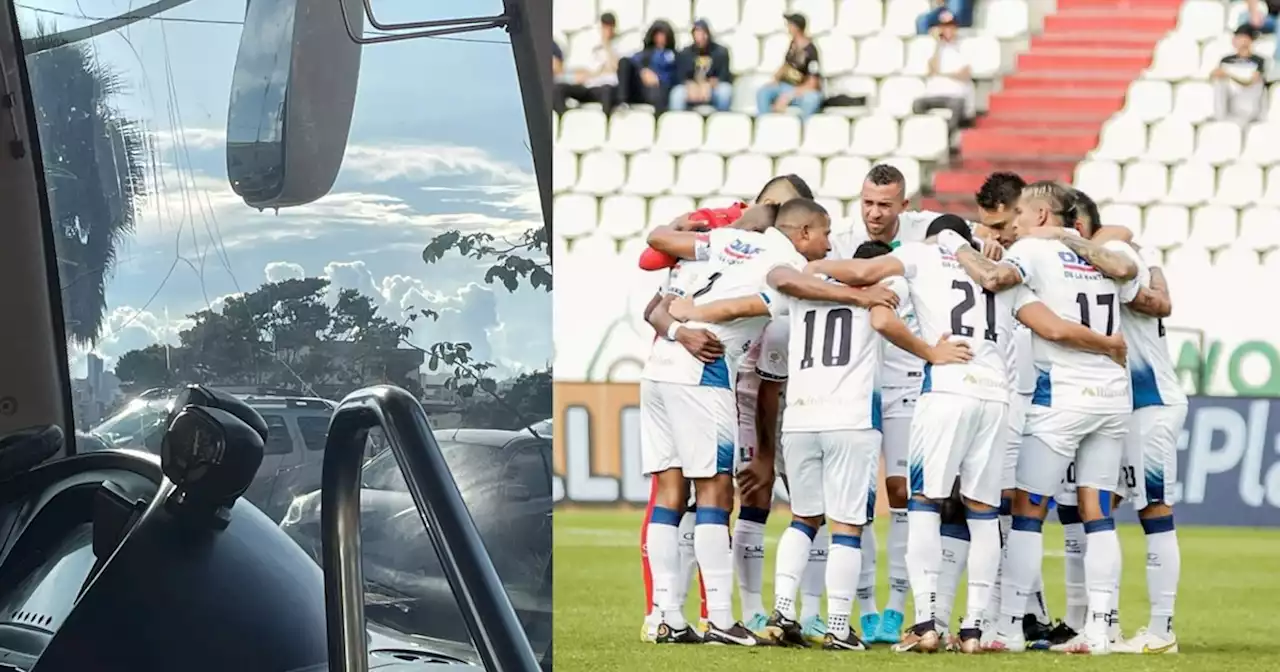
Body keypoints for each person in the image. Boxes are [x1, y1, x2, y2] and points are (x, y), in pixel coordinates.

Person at [812, 211, 1129, 653]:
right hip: (995, 396)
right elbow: (1053, 327)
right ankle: (975, 628)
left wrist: (811, 269)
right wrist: (1109, 343)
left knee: (924, 502)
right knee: (983, 510)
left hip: (947, 389)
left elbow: (864, 274)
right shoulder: (1001, 274)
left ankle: (924, 623)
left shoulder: (922, 254)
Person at [639, 198, 897, 645]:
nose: (829, 241)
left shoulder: (728, 240)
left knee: (669, 491)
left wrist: (681, 311)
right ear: (802, 232)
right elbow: (774, 292)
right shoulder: (784, 260)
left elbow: (659, 242)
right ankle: (720, 617)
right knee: (716, 490)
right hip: (704, 367)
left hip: (659, 365)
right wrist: (860, 295)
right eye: (824, 232)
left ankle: (667, 616)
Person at [942, 181, 1140, 655]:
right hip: (1113, 398)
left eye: (1022, 218)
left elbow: (993, 280)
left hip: (1063, 399)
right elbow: (1127, 269)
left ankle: (1009, 626)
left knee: (1029, 512)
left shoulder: (1033, 249)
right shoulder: (1096, 253)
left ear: (1043, 217)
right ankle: (1099, 629)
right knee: (1097, 514)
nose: (1014, 226)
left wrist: (953, 244)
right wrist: (1076, 240)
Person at [1053, 190, 1183, 655]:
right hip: (1120, 406)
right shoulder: (1091, 264)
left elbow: (1152, 294)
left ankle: (1162, 630)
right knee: (1095, 507)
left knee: (1154, 511)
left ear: (1081, 228)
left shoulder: (1117, 254)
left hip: (1150, 403)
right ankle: (1097, 623)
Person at [912, 12, 974, 133]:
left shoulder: (965, 47)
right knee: (917, 104)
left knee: (957, 106)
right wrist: (938, 44)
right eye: (944, 26)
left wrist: (943, 74)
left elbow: (965, 74)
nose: (948, 30)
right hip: (935, 94)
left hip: (955, 95)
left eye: (951, 26)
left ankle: (946, 137)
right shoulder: (936, 48)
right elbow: (931, 70)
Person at [756, 14, 823, 118]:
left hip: (800, 90)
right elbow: (787, 65)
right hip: (785, 86)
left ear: (796, 28)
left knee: (811, 99)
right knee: (763, 92)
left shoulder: (811, 51)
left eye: (789, 25)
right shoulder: (793, 45)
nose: (787, 28)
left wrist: (789, 95)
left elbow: (813, 84)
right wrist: (776, 79)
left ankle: (803, 129)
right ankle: (765, 123)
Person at [553, 13, 620, 114]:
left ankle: (604, 122)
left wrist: (607, 45)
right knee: (558, 88)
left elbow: (616, 67)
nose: (606, 31)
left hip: (602, 87)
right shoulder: (589, 44)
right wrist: (594, 73)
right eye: (604, 27)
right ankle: (565, 118)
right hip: (586, 85)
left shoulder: (617, 46)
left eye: (609, 28)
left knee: (607, 91)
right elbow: (577, 69)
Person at [670, 19, 733, 112]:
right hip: (691, 88)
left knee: (725, 91)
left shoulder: (721, 52)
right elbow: (680, 77)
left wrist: (709, 85)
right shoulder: (685, 53)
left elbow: (724, 76)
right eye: (697, 33)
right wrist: (691, 85)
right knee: (677, 94)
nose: (701, 37)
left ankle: (722, 120)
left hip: (713, 88)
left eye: (703, 33)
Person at [1212, 25, 1267, 126]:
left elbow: (1252, 80)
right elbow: (1215, 74)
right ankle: (1220, 115)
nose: (1240, 41)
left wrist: (1229, 74)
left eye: (1243, 37)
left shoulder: (1259, 60)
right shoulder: (1226, 60)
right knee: (1219, 82)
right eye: (1238, 37)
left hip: (1248, 97)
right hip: (1231, 96)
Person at [619, 21, 678, 114]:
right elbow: (631, 64)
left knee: (659, 94)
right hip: (639, 87)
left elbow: (674, 75)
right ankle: (622, 103)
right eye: (657, 35)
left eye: (663, 35)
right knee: (624, 61)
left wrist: (657, 78)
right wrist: (642, 71)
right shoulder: (644, 54)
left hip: (658, 88)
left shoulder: (674, 56)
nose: (660, 38)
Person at [1241, 0, 1280, 74]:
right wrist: (1254, 12)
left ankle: (1278, 62)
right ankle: (1239, 58)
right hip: (1269, 18)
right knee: (1244, 16)